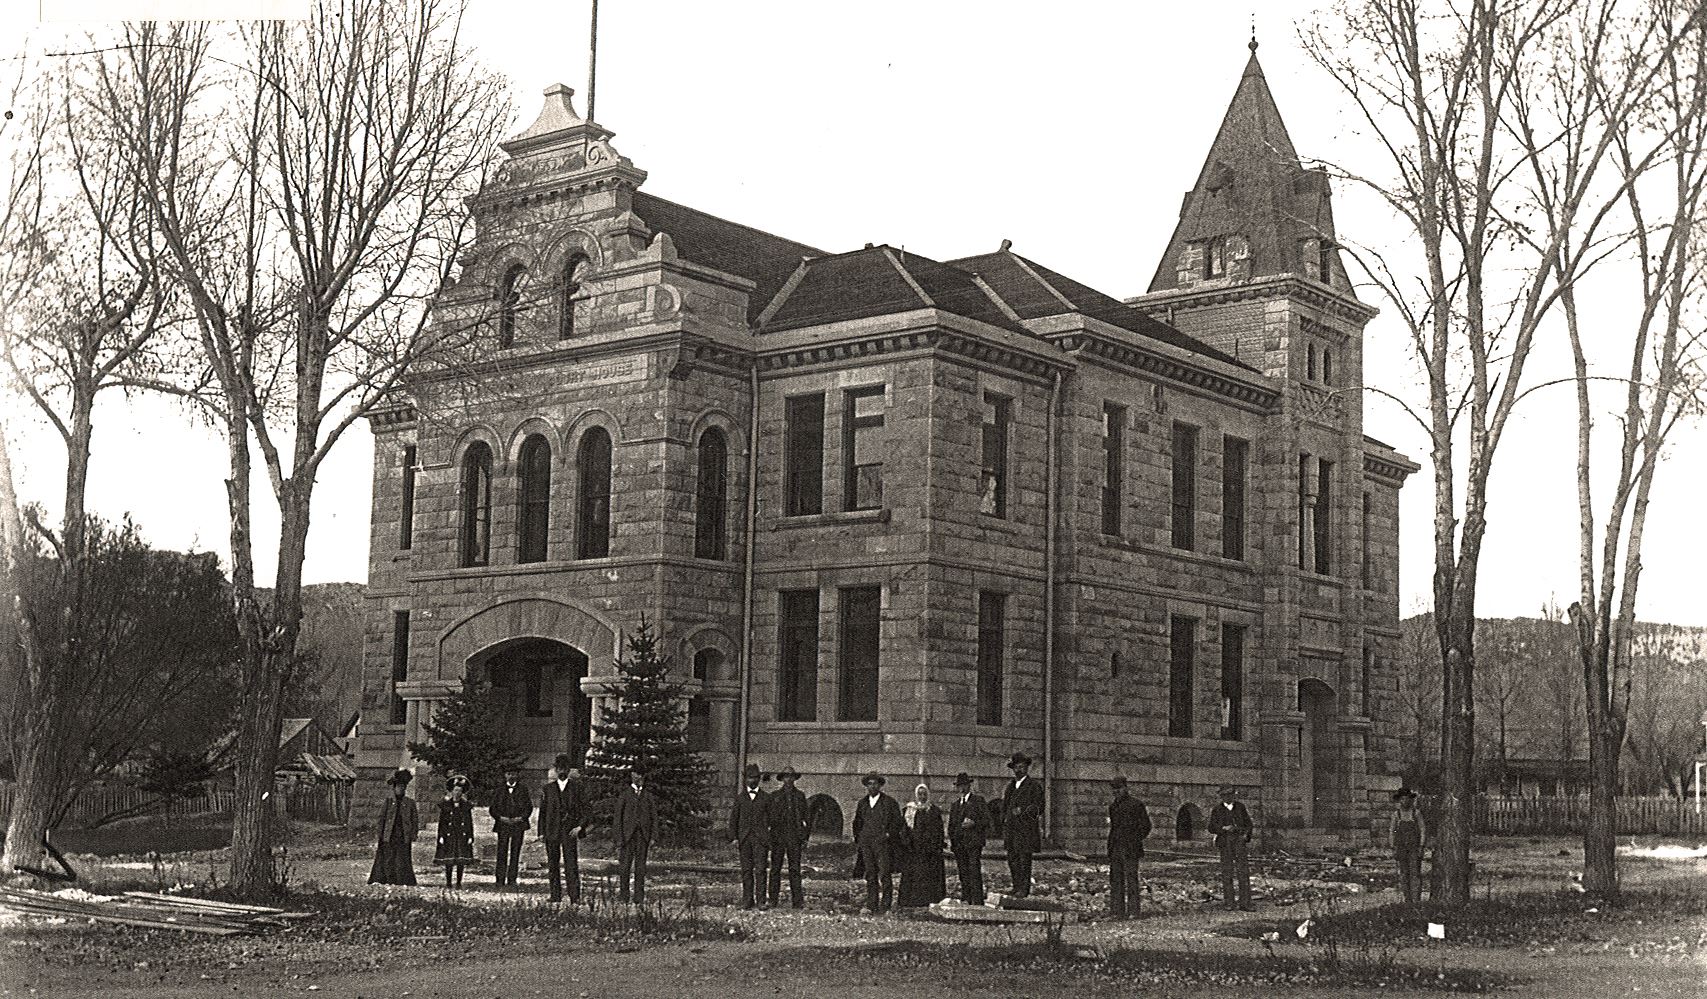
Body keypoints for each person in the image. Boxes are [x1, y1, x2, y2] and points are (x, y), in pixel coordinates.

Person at [538, 754, 589, 903]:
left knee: (571, 864)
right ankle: (555, 895)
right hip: (552, 831)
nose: (562, 771)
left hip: (569, 831)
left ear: (568, 770)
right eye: (559, 768)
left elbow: (586, 809)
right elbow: (543, 812)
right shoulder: (548, 789)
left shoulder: (577, 788)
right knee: (553, 864)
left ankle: (574, 896)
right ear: (555, 769)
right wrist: (541, 832)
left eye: (564, 768)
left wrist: (579, 827)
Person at [851, 772, 903, 914]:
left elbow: (897, 822)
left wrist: (888, 834)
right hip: (867, 843)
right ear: (866, 786)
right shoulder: (862, 803)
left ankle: (885, 904)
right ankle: (871, 903)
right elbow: (857, 823)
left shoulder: (889, 803)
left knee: (885, 873)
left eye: (875, 784)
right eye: (870, 784)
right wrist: (860, 839)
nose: (872, 786)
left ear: (880, 785)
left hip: (883, 843)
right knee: (870, 874)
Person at [999, 751, 1044, 898]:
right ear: (1013, 769)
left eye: (1022, 767)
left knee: (1024, 860)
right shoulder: (1010, 787)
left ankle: (1024, 889)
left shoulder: (1034, 786)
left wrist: (1023, 811)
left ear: (1027, 768)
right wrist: (1004, 819)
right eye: (1016, 767)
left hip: (1026, 831)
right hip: (1012, 830)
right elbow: (1004, 807)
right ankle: (1016, 886)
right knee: (1012, 859)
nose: (1019, 770)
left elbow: (1039, 808)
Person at [1105, 776, 1151, 919]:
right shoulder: (1113, 807)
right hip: (1116, 847)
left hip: (1131, 848)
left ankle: (1133, 911)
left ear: (1125, 788)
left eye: (1118, 789)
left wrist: (1134, 840)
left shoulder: (1136, 805)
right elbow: (1114, 828)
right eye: (1114, 789)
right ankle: (1117, 911)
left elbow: (1146, 826)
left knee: (1131, 879)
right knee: (1116, 880)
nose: (1116, 792)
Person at [766, 764, 811, 909]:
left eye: (791, 777)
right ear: (782, 779)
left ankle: (797, 901)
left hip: (794, 836)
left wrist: (804, 837)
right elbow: (769, 818)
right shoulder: (775, 796)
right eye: (786, 777)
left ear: (794, 779)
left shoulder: (800, 796)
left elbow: (807, 819)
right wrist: (770, 836)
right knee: (775, 869)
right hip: (778, 836)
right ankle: (773, 899)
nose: (788, 780)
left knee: (795, 869)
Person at [728, 762, 771, 910]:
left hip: (760, 840)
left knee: (760, 870)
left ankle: (761, 900)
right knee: (746, 870)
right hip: (744, 839)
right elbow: (734, 819)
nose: (752, 781)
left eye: (755, 778)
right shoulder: (740, 798)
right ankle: (747, 900)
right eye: (749, 778)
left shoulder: (766, 798)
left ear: (759, 779)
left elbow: (772, 819)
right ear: (745, 779)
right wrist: (734, 837)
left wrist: (768, 837)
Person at [897, 783, 947, 908]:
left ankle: (929, 900)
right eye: (920, 794)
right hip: (913, 850)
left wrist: (935, 845)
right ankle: (912, 901)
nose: (922, 797)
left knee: (928, 875)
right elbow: (903, 830)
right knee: (913, 875)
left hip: (929, 851)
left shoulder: (933, 810)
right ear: (916, 795)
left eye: (925, 794)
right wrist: (907, 843)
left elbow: (939, 830)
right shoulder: (908, 810)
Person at [614, 766, 658, 904]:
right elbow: (618, 818)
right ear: (632, 775)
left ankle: (639, 898)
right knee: (625, 867)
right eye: (637, 774)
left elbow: (654, 817)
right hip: (628, 837)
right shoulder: (625, 795)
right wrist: (619, 838)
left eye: (642, 775)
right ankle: (624, 896)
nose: (640, 778)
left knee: (640, 868)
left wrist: (652, 837)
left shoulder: (648, 796)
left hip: (642, 836)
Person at [368, 767, 419, 885]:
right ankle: (387, 879)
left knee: (402, 859)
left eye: (402, 787)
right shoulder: (388, 802)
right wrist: (380, 834)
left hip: (403, 835)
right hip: (390, 834)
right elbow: (382, 820)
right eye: (398, 787)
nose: (400, 790)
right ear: (394, 789)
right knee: (388, 858)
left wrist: (413, 834)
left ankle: (402, 880)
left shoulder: (410, 803)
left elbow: (414, 820)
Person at [1208, 784, 1254, 912]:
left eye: (1231, 794)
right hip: (1225, 843)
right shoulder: (1217, 810)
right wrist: (1223, 828)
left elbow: (1249, 824)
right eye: (1225, 795)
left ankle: (1245, 903)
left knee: (1243, 872)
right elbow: (1211, 827)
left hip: (1239, 843)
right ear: (1221, 796)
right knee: (1227, 873)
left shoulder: (1240, 808)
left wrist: (1245, 835)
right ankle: (1229, 902)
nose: (1228, 797)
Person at [947, 772, 989, 905]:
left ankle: (977, 900)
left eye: (964, 785)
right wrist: (953, 842)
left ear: (969, 786)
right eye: (959, 786)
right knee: (963, 872)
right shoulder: (955, 805)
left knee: (974, 870)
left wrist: (974, 823)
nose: (962, 789)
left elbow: (987, 821)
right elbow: (951, 826)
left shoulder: (978, 801)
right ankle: (966, 898)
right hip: (960, 845)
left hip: (973, 843)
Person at [489, 766, 533, 887]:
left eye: (514, 774)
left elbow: (529, 807)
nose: (511, 776)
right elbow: (493, 809)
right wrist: (501, 818)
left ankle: (512, 879)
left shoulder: (523, 789)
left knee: (515, 852)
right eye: (509, 774)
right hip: (503, 825)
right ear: (505, 776)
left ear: (517, 775)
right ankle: (500, 879)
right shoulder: (499, 790)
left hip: (518, 825)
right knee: (501, 851)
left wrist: (521, 818)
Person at [435, 773, 476, 888]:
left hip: (461, 835)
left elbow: (469, 822)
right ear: (451, 792)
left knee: (460, 860)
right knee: (449, 860)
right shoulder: (445, 805)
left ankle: (458, 882)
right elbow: (442, 822)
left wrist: (470, 836)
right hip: (449, 834)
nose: (457, 793)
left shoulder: (466, 806)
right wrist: (441, 836)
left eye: (459, 791)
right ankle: (448, 882)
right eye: (455, 790)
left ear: (462, 793)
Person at [1389, 786, 1427, 903]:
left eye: (1407, 799)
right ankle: (1407, 900)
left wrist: (1421, 846)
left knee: (1415, 873)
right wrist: (1393, 846)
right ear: (1399, 800)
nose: (1405, 801)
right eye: (1402, 799)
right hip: (1401, 847)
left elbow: (1422, 830)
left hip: (1414, 848)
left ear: (1411, 800)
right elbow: (1392, 831)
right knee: (1404, 874)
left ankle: (1416, 900)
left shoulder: (1416, 813)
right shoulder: (1396, 815)